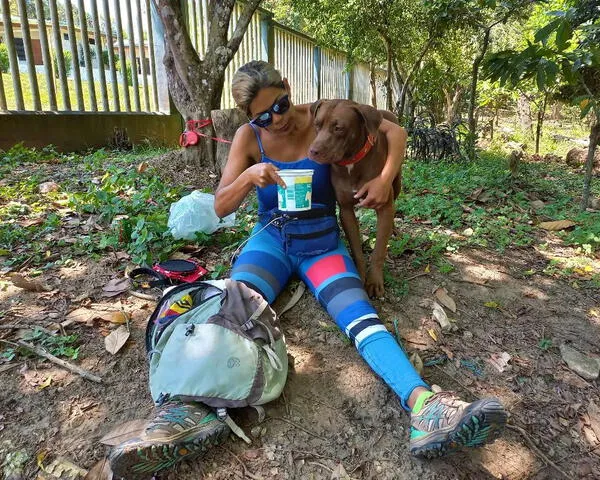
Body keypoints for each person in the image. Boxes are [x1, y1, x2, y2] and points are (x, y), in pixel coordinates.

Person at [108, 61, 506, 477]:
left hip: (321, 242)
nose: (276, 119)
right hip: (272, 239)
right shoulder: (248, 138)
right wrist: (248, 175)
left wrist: (387, 177)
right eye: (263, 116)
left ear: (287, 88)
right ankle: (185, 413)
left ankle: (426, 406)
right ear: (248, 118)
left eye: (280, 105)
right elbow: (221, 204)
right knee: (229, 309)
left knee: (360, 317)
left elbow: (393, 130)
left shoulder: (321, 114)